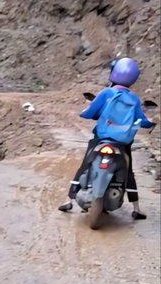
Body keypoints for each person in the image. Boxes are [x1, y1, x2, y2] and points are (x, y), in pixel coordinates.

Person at [58, 57, 155, 219]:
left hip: (101, 139)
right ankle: (136, 209)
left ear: (114, 72)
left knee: (84, 165)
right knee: (128, 172)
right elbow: (142, 121)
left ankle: (68, 200)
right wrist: (150, 123)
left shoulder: (106, 93)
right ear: (134, 78)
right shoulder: (134, 98)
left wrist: (84, 113)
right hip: (123, 143)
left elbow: (88, 113)